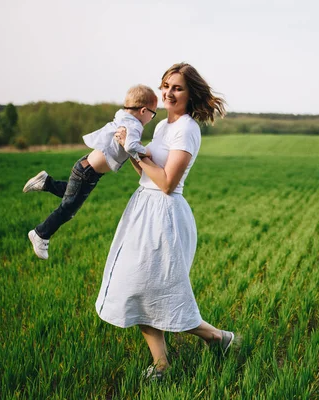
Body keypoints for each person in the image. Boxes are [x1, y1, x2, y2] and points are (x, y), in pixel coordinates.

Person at [95, 63, 234, 380]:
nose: (169, 93)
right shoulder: (161, 128)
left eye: (178, 88)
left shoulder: (187, 129)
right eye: (166, 86)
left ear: (190, 94)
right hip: (144, 209)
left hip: (165, 216)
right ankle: (165, 362)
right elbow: (147, 175)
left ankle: (213, 338)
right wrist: (131, 150)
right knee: (137, 289)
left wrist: (137, 152)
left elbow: (168, 183)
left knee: (159, 290)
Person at [22, 85, 158, 259]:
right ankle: (41, 234)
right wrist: (147, 152)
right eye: (152, 114)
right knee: (69, 208)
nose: (151, 119)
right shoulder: (134, 125)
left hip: (86, 167)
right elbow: (131, 146)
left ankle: (46, 182)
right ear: (143, 111)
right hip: (88, 172)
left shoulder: (123, 117)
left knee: (72, 194)